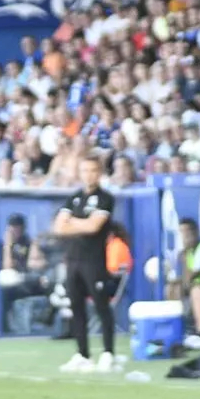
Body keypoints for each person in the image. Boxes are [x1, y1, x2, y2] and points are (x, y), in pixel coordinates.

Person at [53, 154, 120, 373]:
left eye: (93, 170)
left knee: (101, 306)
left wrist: (73, 221)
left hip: (95, 261)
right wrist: (82, 224)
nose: (88, 175)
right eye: (85, 170)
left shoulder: (105, 198)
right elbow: (58, 228)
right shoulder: (73, 198)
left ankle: (109, 352)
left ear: (99, 173)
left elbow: (95, 227)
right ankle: (83, 354)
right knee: (76, 307)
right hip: (73, 260)